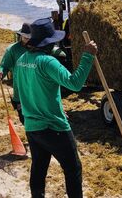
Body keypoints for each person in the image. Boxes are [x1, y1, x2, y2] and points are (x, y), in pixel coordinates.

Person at [14, 18, 96, 198]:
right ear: (49, 42)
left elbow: (20, 92)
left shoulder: (21, 60)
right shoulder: (47, 62)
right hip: (54, 127)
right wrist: (88, 56)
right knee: (73, 169)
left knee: (39, 167)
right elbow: (74, 84)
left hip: (32, 127)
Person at [0, 23, 32, 124]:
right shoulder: (13, 49)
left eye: (30, 37)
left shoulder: (36, 48)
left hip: (35, 90)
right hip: (20, 91)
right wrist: (1, 73)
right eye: (25, 37)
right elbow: (4, 66)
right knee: (25, 120)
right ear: (21, 35)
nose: (28, 40)